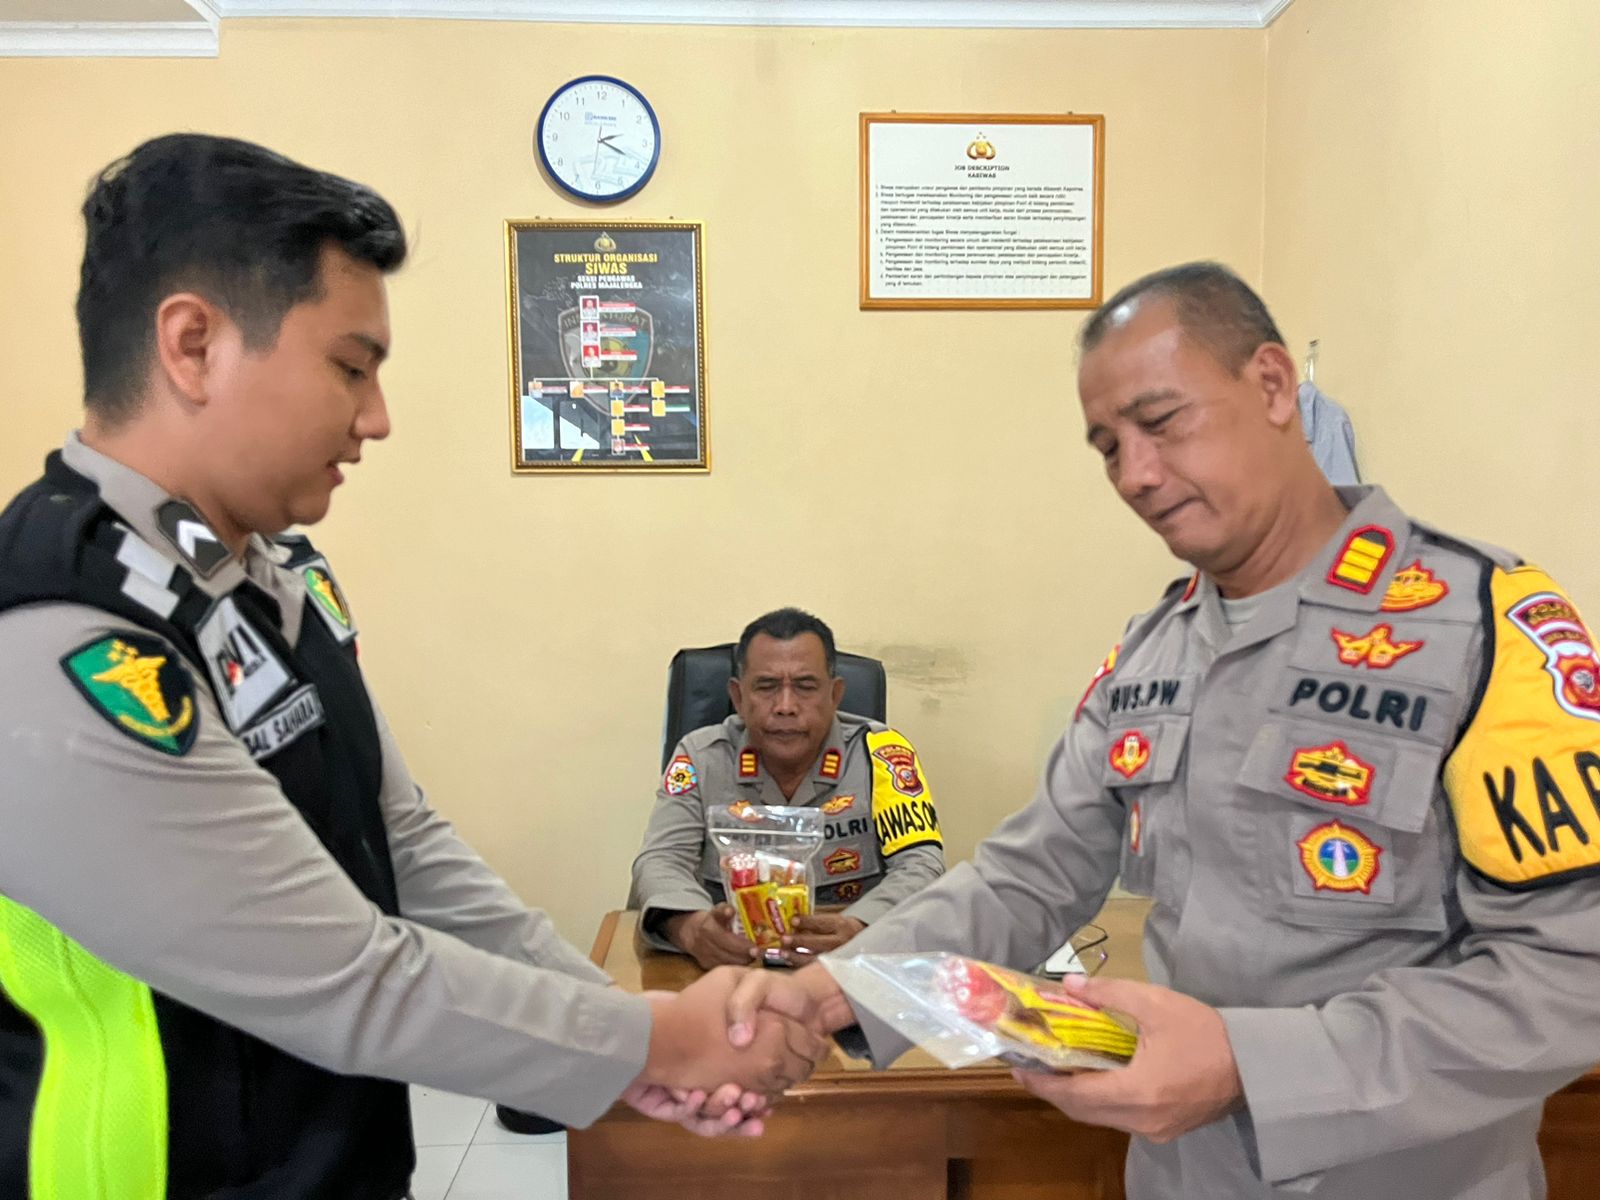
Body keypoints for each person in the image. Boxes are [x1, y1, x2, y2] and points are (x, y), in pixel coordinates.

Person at [0, 133, 826, 1200]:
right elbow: (338, 973)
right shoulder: (62, 626)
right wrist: (651, 1045)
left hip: (329, 1162)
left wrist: (617, 1023)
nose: (376, 418)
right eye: (351, 367)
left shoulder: (271, 578)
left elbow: (401, 838)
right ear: (193, 346)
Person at [731, 262, 1600, 1199]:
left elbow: (1572, 969)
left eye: (1162, 422)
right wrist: (836, 988)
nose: (1136, 476)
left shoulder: (1481, 626)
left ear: (1273, 385)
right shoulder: (1152, 651)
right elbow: (1030, 876)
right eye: (1109, 447)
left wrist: (1252, 1066)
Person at [630, 607, 945, 968]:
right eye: (766, 687)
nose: (785, 706)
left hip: (845, 968)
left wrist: (862, 927)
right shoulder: (701, 757)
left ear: (835, 694)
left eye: (805, 687)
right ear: (738, 697)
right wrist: (691, 928)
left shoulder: (882, 755)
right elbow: (661, 859)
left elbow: (921, 865)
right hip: (729, 964)